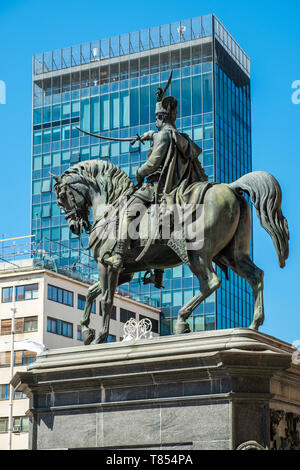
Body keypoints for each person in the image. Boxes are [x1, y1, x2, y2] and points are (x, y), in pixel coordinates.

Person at [104, 79, 207, 289]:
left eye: (156, 119)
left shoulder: (163, 136)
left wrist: (138, 172)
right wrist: (147, 136)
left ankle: (118, 253)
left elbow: (152, 164)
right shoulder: (178, 135)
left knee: (127, 210)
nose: (154, 123)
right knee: (159, 227)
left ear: (161, 117)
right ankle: (158, 273)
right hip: (175, 186)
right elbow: (160, 136)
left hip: (155, 187)